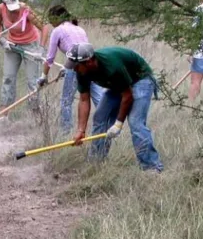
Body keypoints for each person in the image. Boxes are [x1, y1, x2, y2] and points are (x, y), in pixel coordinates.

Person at [68, 43, 163, 172]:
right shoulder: (82, 72)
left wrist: (118, 124)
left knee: (136, 122)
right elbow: (84, 100)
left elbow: (127, 95)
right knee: (100, 117)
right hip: (119, 85)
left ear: (89, 61)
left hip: (140, 80)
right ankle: (96, 162)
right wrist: (81, 130)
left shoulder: (112, 67)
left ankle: (152, 167)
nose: (74, 69)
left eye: (76, 66)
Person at [37, 5, 105, 133]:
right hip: (91, 64)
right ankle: (106, 124)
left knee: (66, 101)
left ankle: (65, 131)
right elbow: (81, 50)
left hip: (76, 67)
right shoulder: (79, 29)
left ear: (57, 18)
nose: (51, 23)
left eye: (51, 19)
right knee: (100, 99)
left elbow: (50, 58)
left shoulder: (57, 31)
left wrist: (43, 76)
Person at [0, 0, 44, 115]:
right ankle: (3, 115)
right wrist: (2, 40)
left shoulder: (26, 9)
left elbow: (44, 27)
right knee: (8, 79)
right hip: (12, 45)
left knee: (33, 81)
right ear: (4, 4)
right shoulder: (0, 9)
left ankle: (35, 114)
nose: (13, 9)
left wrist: (41, 50)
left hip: (30, 45)